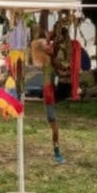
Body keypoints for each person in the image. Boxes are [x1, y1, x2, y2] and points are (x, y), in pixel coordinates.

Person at [36, 32, 65, 164]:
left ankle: (57, 153)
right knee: (55, 127)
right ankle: (57, 154)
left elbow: (60, 67)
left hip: (50, 92)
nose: (50, 45)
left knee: (55, 126)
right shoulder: (48, 59)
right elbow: (56, 51)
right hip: (49, 94)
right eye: (47, 45)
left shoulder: (47, 59)